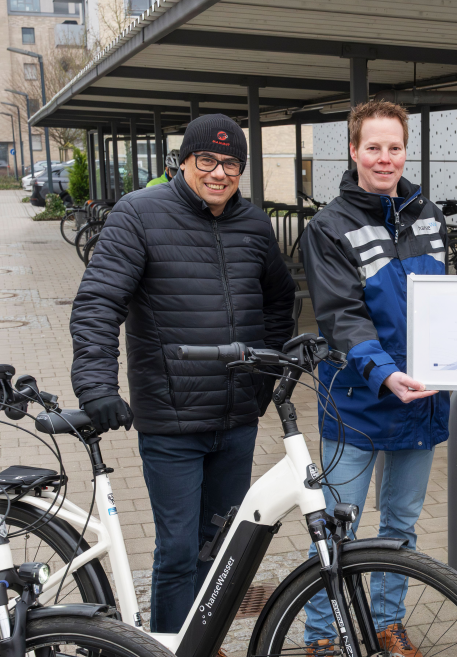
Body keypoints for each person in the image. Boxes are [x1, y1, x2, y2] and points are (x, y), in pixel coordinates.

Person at [69, 114, 296, 632]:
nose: (219, 173)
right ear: (184, 161)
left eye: (231, 163)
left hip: (237, 418)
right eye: (207, 160)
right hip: (172, 420)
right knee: (176, 551)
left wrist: (266, 375)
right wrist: (97, 384)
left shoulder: (254, 225)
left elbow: (280, 300)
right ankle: (167, 644)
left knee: (220, 547)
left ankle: (204, 642)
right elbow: (98, 302)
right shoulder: (139, 214)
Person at [299, 101, 448, 657]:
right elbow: (341, 314)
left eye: (394, 148)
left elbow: (448, 304)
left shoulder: (427, 213)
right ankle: (322, 636)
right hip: (357, 401)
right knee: (336, 529)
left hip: (421, 398)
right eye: (373, 147)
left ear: (405, 150)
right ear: (355, 151)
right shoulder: (330, 226)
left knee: (401, 528)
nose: (384, 159)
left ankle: (387, 625)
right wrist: (385, 373)